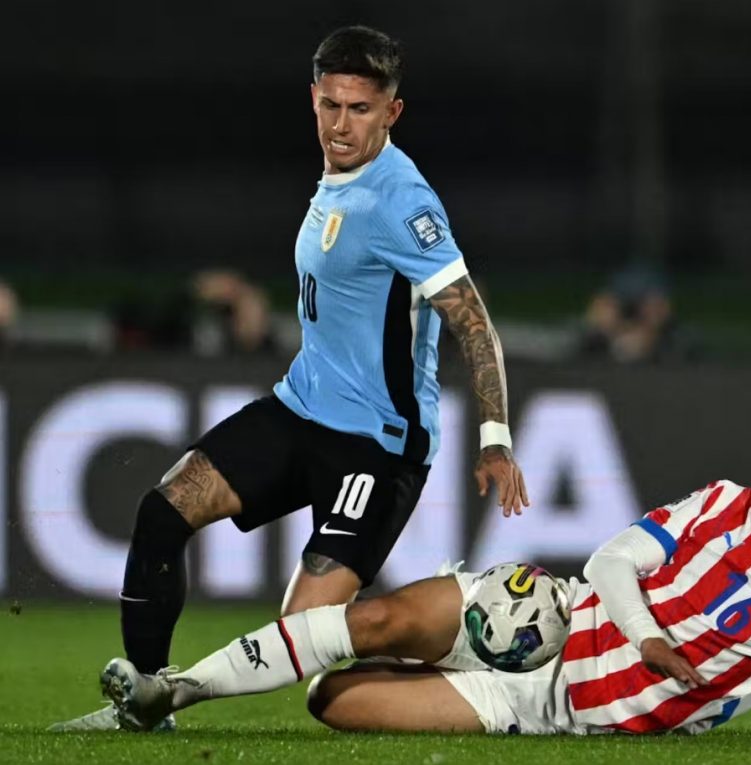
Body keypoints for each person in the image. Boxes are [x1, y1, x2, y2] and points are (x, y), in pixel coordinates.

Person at [51, 25, 528, 732]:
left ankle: (465, 649)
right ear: (313, 98)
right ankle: (144, 704)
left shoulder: (404, 201)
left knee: (299, 638)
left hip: (377, 444)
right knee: (164, 511)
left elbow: (471, 319)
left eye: (360, 109)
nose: (341, 124)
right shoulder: (339, 177)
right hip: (300, 408)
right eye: (330, 105)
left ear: (392, 112)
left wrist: (494, 435)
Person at [98, 417, 751, 737]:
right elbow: (611, 560)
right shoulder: (725, 502)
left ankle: (396, 664)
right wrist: (649, 636)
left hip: (549, 704)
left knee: (332, 701)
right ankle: (173, 689)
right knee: (371, 620)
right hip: (545, 613)